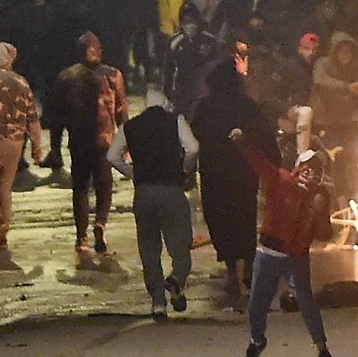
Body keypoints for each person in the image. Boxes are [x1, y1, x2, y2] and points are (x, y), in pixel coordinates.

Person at [230, 132, 334, 357]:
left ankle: (321, 347)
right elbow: (260, 163)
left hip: (297, 257)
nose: (313, 172)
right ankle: (257, 340)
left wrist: (320, 213)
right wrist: (243, 142)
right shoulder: (281, 181)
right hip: (270, 252)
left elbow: (326, 234)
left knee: (306, 300)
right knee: (258, 301)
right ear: (298, 168)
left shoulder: (319, 198)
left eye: (318, 169)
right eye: (308, 166)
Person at [192, 59, 280, 299]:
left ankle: (232, 266)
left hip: (214, 173)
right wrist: (275, 167)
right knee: (244, 216)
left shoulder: (204, 107)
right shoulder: (247, 106)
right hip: (243, 172)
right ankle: (248, 264)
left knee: (220, 219)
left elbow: (194, 138)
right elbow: (264, 136)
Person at [107, 91, 198, 320]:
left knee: (149, 248)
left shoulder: (131, 126)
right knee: (180, 244)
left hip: (144, 193)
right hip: (171, 189)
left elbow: (112, 156)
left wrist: (132, 172)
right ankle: (176, 279)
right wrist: (185, 169)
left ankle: (158, 302)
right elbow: (193, 148)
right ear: (165, 104)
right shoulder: (175, 121)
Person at [48, 32, 128, 252]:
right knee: (104, 185)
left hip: (79, 140)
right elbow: (121, 110)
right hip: (105, 140)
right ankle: (100, 222)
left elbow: (56, 117)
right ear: (99, 50)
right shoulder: (113, 75)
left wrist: (54, 148)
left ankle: (81, 237)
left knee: (81, 187)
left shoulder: (65, 77)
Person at [0, 43, 44, 249]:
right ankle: (1, 238)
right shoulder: (22, 82)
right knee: (4, 188)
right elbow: (33, 117)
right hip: (16, 142)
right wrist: (36, 147)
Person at [310, 32, 358, 202]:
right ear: (334, 52)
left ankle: (356, 190)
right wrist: (347, 87)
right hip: (325, 122)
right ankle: (337, 195)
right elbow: (321, 81)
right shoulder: (323, 64)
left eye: (349, 52)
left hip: (346, 121)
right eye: (342, 51)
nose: (346, 55)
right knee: (335, 158)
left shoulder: (352, 69)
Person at [162, 5, 217, 118]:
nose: (190, 25)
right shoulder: (174, 42)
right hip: (181, 93)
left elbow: (216, 67)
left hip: (203, 91)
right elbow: (169, 70)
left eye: (192, 21)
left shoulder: (209, 41)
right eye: (186, 22)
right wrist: (167, 95)